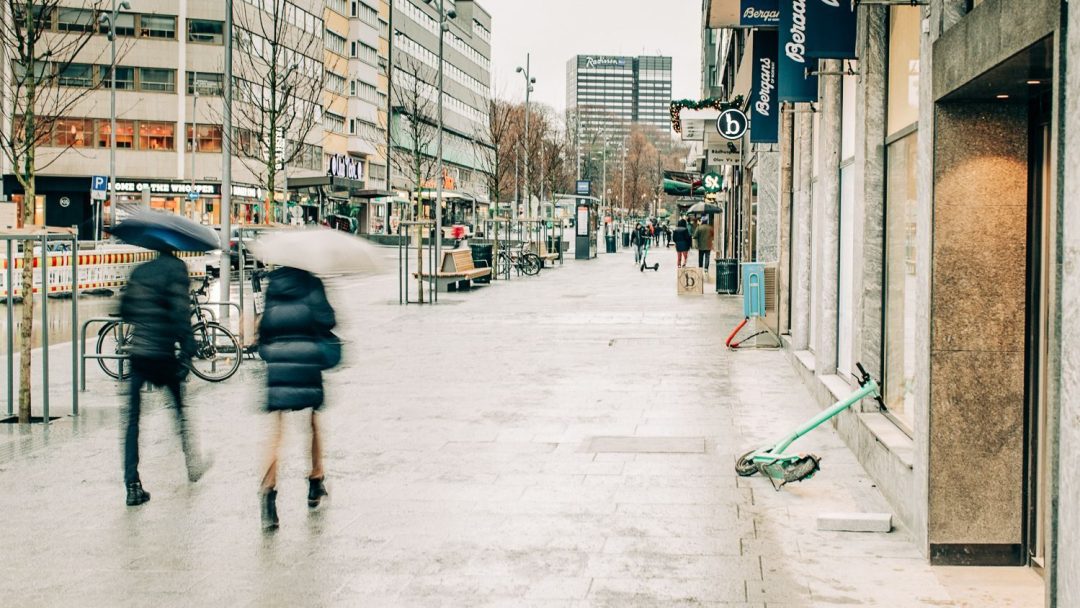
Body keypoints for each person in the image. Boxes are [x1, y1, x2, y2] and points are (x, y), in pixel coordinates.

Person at [119, 251, 211, 507]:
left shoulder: (140, 271)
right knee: (181, 412)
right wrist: (188, 351)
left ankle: (132, 484)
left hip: (139, 354)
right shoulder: (176, 270)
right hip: (163, 354)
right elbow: (181, 316)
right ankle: (192, 463)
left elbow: (124, 311)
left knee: (132, 422)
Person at [258, 266, 338, 531]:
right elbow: (327, 320)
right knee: (313, 422)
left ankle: (268, 494)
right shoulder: (312, 283)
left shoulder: (274, 285)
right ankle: (315, 481)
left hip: (279, 364)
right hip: (307, 362)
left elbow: (265, 329)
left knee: (277, 432)